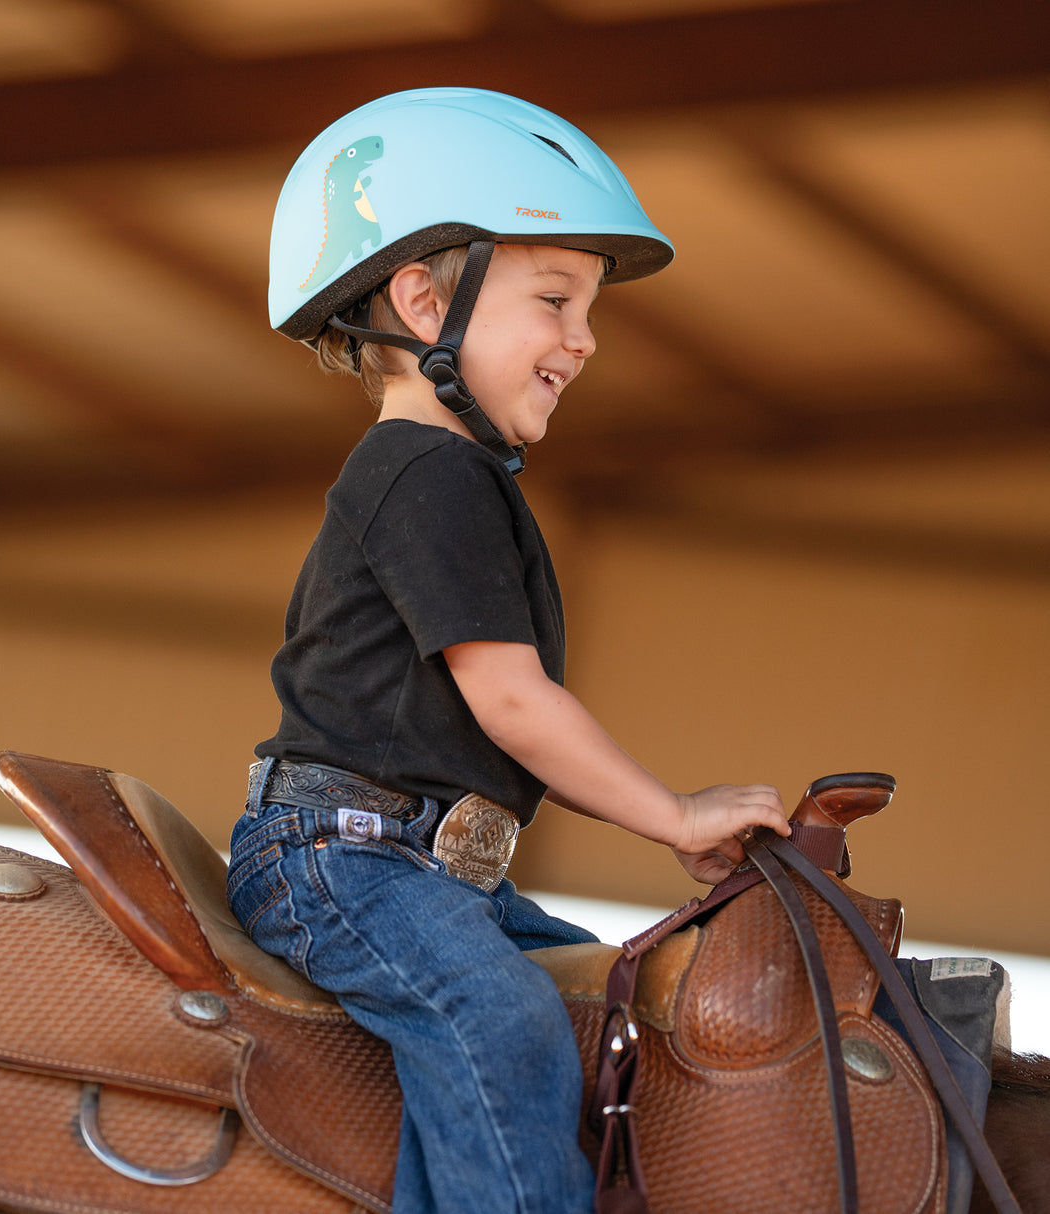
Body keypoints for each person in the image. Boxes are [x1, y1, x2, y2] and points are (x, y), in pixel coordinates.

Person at [226, 87, 790, 1214]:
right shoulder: (423, 471)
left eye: (587, 309)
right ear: (423, 300)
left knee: (606, 999)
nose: (581, 339)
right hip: (343, 859)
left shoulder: (456, 478)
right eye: (552, 298)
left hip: (434, 870)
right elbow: (512, 702)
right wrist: (675, 816)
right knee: (505, 1015)